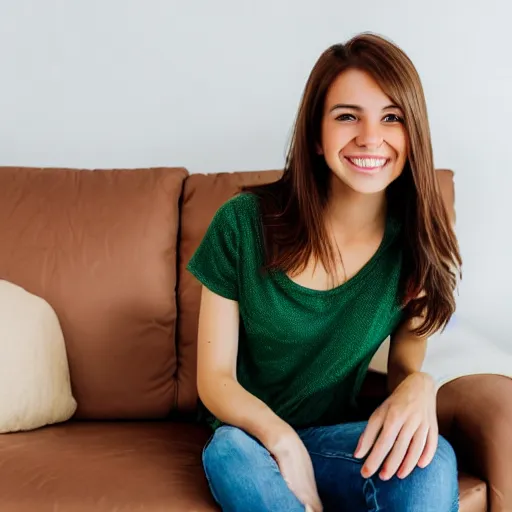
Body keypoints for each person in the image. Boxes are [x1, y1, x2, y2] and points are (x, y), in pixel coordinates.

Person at [187, 32, 462, 512]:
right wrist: (282, 442)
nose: (370, 137)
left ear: (413, 132)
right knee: (230, 452)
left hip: (333, 439)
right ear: (316, 135)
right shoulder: (243, 223)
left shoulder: (417, 246)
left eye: (392, 117)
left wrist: (421, 385)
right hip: (248, 439)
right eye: (347, 116)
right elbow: (214, 379)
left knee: (433, 460)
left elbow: (403, 370)